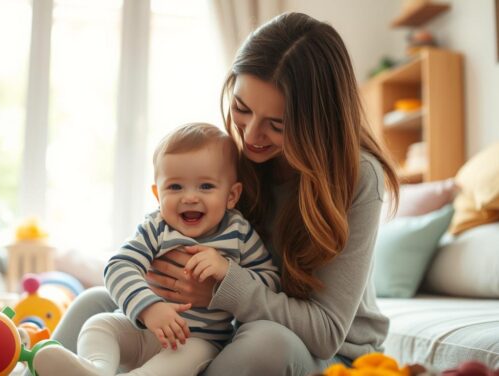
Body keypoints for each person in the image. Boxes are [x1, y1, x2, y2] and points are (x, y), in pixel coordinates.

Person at [35, 12, 400, 376]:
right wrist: (159, 289)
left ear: (316, 124)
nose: (252, 136)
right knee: (97, 303)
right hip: (226, 327)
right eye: (242, 109)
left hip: (321, 351)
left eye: (277, 125)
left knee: (265, 342)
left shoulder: (357, 176)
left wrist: (216, 292)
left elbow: (326, 332)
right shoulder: (238, 159)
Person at [33, 122, 279, 376]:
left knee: (188, 357)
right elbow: (118, 267)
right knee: (98, 325)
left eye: (205, 186)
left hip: (193, 342)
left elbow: (269, 282)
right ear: (157, 194)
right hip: (140, 329)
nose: (190, 197)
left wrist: (227, 272)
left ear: (231, 195)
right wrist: (150, 308)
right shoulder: (156, 227)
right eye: (175, 187)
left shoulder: (239, 233)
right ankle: (96, 370)